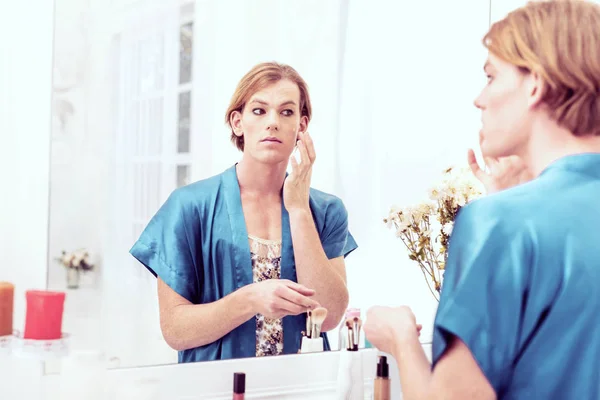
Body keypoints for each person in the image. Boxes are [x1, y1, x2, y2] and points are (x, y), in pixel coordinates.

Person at [364, 1, 600, 399]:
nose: (479, 98)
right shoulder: (516, 218)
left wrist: (401, 338)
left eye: (491, 77)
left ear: (536, 84)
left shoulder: (499, 224)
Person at [130, 62, 357, 363]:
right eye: (259, 111)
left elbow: (327, 317)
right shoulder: (189, 207)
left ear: (301, 126)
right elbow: (175, 330)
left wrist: (299, 209)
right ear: (238, 123)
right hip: (216, 389)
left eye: (286, 112)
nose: (272, 122)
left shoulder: (325, 211)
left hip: (300, 386)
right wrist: (251, 299)